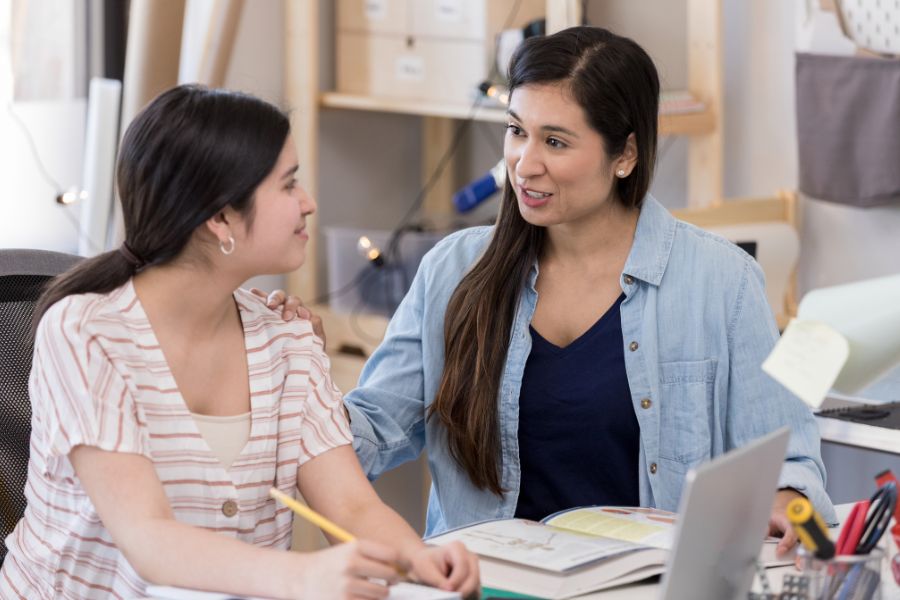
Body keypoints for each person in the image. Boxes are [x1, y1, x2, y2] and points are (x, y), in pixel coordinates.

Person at [273, 26, 836, 556]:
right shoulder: (453, 269)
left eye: (557, 142)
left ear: (626, 155)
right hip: (489, 581)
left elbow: (789, 454)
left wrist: (789, 496)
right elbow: (369, 436)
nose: (524, 164)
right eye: (517, 131)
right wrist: (305, 375)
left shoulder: (722, 281)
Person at [0, 85, 479, 600]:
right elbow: (147, 539)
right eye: (289, 184)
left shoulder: (287, 338)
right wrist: (305, 576)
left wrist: (419, 561)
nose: (309, 203)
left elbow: (352, 507)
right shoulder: (86, 332)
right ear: (220, 217)